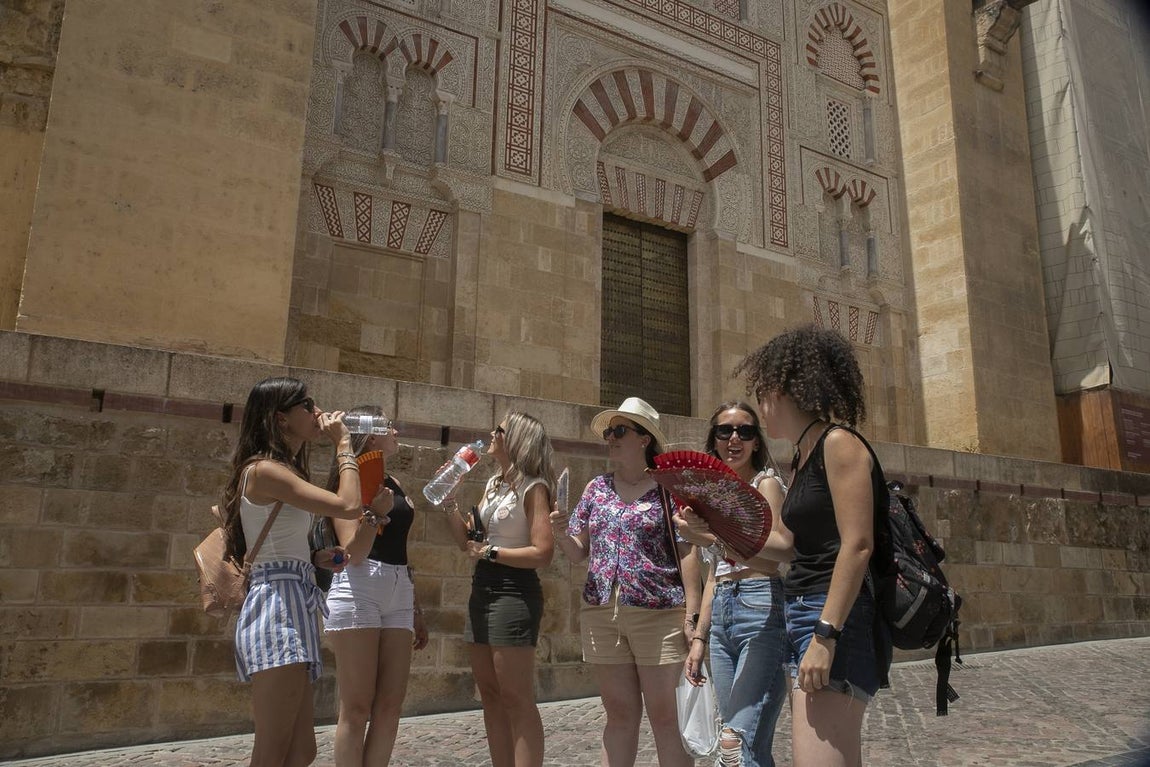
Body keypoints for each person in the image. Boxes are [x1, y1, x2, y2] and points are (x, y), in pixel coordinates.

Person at [681, 326, 890, 767]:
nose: (760, 406)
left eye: (762, 394)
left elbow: (857, 545)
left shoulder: (839, 444)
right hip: (801, 613)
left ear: (787, 389)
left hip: (831, 617)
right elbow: (790, 547)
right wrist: (713, 536)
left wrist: (826, 634)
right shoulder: (804, 453)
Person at [220, 377, 390, 767]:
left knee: (301, 751)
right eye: (307, 405)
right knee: (272, 750)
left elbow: (277, 540)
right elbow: (347, 504)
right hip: (275, 607)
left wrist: (313, 558)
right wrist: (345, 444)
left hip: (294, 596)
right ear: (281, 418)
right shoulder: (263, 471)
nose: (317, 412)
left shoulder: (285, 471)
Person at [550, 397, 700, 767]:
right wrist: (559, 531)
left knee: (666, 717)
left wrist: (693, 618)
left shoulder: (670, 490)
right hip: (602, 613)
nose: (610, 438)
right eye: (608, 432)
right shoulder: (596, 488)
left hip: (660, 613)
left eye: (619, 431)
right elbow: (577, 552)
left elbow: (688, 552)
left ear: (645, 438)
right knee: (618, 714)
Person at [444, 412, 557, 767]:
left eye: (500, 430)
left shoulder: (534, 486)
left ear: (517, 440)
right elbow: (469, 541)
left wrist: (492, 552)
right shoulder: (494, 483)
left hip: (514, 590)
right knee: (490, 693)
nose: (491, 434)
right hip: (483, 587)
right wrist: (449, 503)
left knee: (516, 696)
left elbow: (543, 552)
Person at [320, 405, 430, 767]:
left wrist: (415, 606)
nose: (396, 431)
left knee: (391, 705)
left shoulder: (392, 481)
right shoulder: (348, 480)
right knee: (356, 706)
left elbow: (400, 545)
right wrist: (374, 514)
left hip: (398, 587)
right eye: (389, 426)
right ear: (369, 433)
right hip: (359, 583)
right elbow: (353, 551)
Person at [683, 402, 788, 767]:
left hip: (760, 603)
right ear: (713, 440)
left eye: (745, 431)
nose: (734, 439)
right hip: (723, 614)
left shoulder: (767, 484)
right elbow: (714, 574)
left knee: (733, 739)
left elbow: (771, 558)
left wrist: (711, 537)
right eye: (724, 431)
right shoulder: (712, 497)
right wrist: (699, 638)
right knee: (749, 745)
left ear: (757, 441)